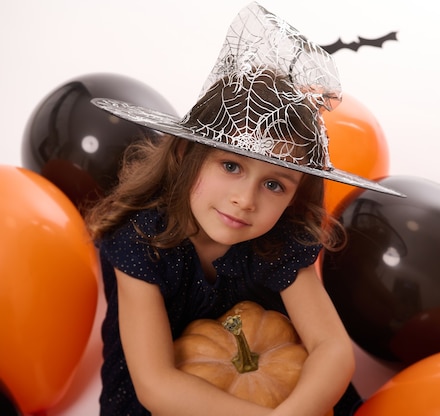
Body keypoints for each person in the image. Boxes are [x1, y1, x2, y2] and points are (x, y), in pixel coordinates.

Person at [85, 2, 403, 415]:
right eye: (231, 166)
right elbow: (156, 383)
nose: (246, 200)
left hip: (269, 379)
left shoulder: (282, 238)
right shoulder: (141, 237)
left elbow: (333, 349)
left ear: (295, 194)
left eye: (274, 184)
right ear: (185, 154)